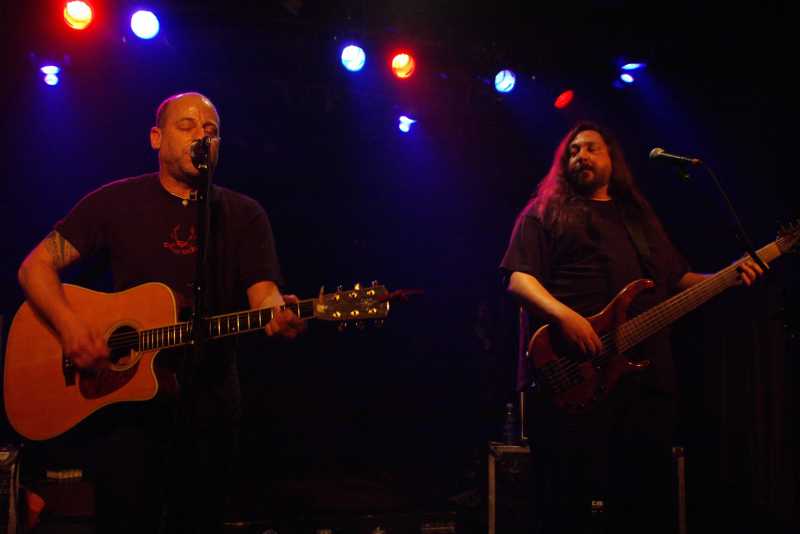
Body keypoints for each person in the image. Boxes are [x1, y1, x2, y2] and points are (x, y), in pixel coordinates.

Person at [16, 92, 306, 533]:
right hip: (124, 409)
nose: (201, 137)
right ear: (157, 137)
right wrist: (71, 328)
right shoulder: (114, 203)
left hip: (211, 405)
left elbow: (263, 295)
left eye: (210, 130)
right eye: (187, 126)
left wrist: (280, 312)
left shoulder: (243, 215)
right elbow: (35, 267)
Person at [499, 121, 763, 533]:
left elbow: (676, 280)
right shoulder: (544, 212)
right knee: (566, 503)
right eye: (573, 151)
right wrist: (565, 316)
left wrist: (729, 274)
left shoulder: (638, 218)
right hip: (575, 375)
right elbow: (519, 279)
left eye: (591, 149)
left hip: (645, 380)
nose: (580, 157)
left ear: (612, 160)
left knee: (643, 501)